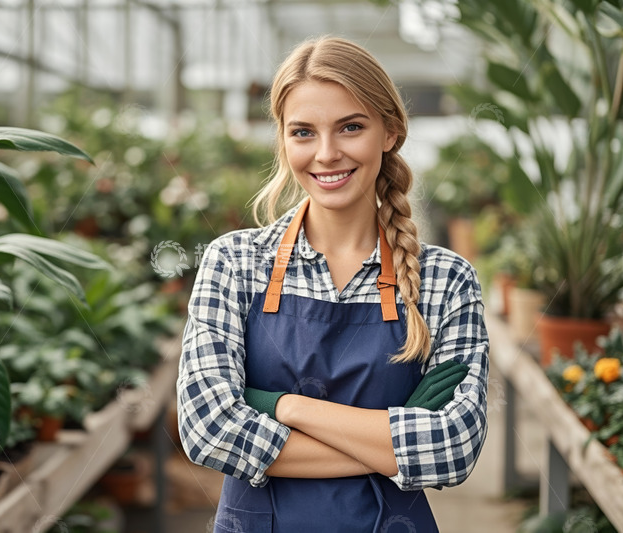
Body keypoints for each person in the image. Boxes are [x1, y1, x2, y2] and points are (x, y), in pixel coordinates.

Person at [177, 36, 489, 532]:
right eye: (303, 132)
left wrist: (281, 405)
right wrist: (391, 442)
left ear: (390, 131)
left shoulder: (445, 281)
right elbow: (208, 431)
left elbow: (453, 450)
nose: (327, 153)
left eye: (351, 127)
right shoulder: (234, 263)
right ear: (282, 139)